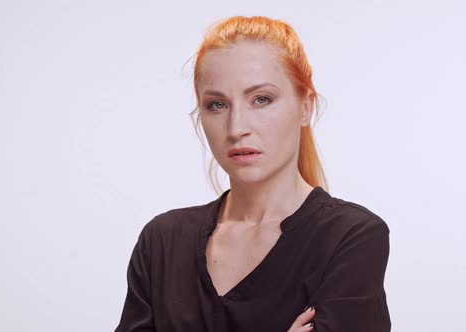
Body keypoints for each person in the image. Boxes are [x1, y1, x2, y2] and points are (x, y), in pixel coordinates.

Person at [114, 15, 391, 332]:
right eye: (217, 105)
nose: (237, 128)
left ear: (305, 107)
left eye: (262, 99)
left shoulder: (350, 237)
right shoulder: (162, 241)